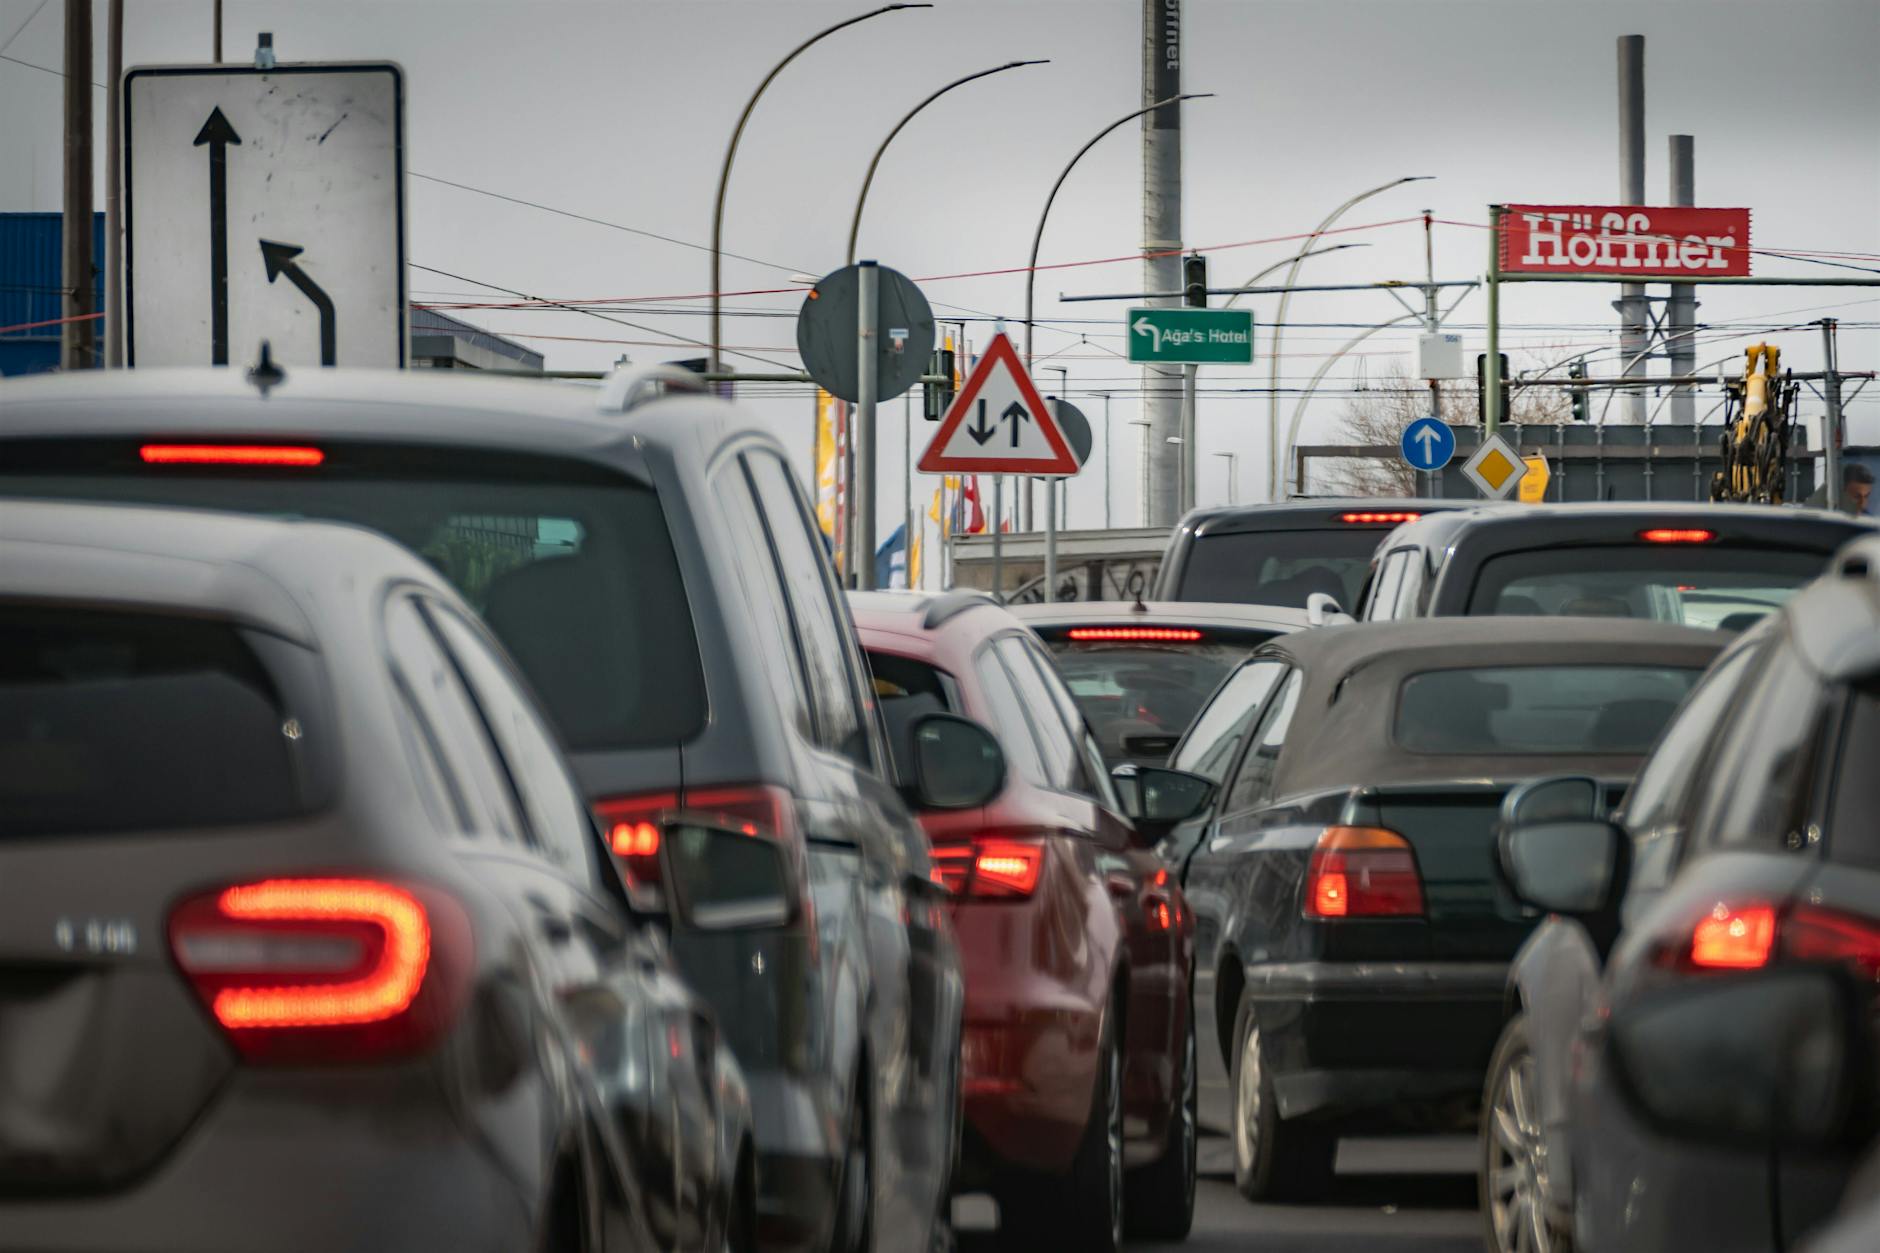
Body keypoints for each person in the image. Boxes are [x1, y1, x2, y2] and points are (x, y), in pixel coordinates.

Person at [1806, 463, 1873, 515]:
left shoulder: (1870, 523)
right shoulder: (1822, 519)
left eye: (1866, 496)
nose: (1863, 504)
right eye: (1856, 497)